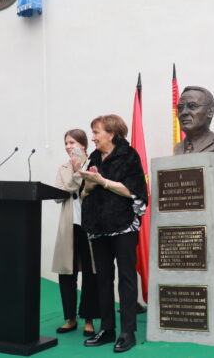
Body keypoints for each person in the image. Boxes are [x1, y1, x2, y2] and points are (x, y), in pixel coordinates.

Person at [79, 115, 147, 353]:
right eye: (93, 132)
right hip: (98, 227)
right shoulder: (94, 157)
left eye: (97, 132)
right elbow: (84, 192)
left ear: (112, 133)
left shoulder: (129, 156)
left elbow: (134, 191)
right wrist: (89, 182)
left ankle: (127, 332)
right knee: (103, 279)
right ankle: (107, 329)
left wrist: (102, 181)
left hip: (123, 225)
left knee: (126, 279)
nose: (93, 137)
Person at [52, 129, 98, 336]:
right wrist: (77, 174)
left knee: (90, 272)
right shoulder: (63, 168)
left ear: (83, 145)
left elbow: (95, 187)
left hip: (89, 226)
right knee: (67, 273)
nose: (68, 146)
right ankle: (70, 318)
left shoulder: (95, 163)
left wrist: (81, 171)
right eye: (66, 143)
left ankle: (88, 319)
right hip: (68, 225)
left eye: (72, 142)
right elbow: (58, 195)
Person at [173, 86, 214, 154]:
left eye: (192, 106)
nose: (184, 112)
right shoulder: (178, 147)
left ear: (210, 112)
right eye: (180, 108)